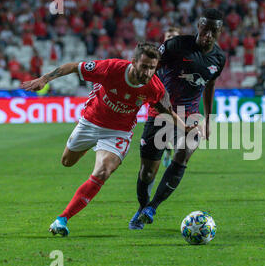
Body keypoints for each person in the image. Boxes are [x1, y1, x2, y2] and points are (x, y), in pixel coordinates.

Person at [21, 42, 194, 236]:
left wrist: (184, 127)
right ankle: (89, 146)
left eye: (152, 68)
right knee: (67, 162)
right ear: (134, 62)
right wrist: (45, 79)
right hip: (90, 122)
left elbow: (166, 109)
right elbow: (73, 66)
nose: (147, 72)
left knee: (103, 171)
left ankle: (62, 219)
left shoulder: (154, 87)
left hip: (118, 132)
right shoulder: (111, 68)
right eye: (144, 66)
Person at [129, 9, 226, 230]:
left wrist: (208, 121)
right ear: (198, 27)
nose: (208, 35)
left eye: (214, 30)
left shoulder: (219, 58)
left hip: (191, 115)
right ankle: (142, 208)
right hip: (162, 112)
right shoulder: (175, 46)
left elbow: (210, 85)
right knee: (147, 172)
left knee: (184, 154)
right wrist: (157, 97)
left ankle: (152, 207)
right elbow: (151, 71)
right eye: (205, 29)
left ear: (220, 31)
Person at [161, 26, 181, 168]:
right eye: (168, 37)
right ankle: (167, 149)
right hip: (160, 101)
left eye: (174, 37)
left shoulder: (185, 59)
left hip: (180, 102)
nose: (171, 40)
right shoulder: (156, 58)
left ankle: (174, 159)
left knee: (179, 135)